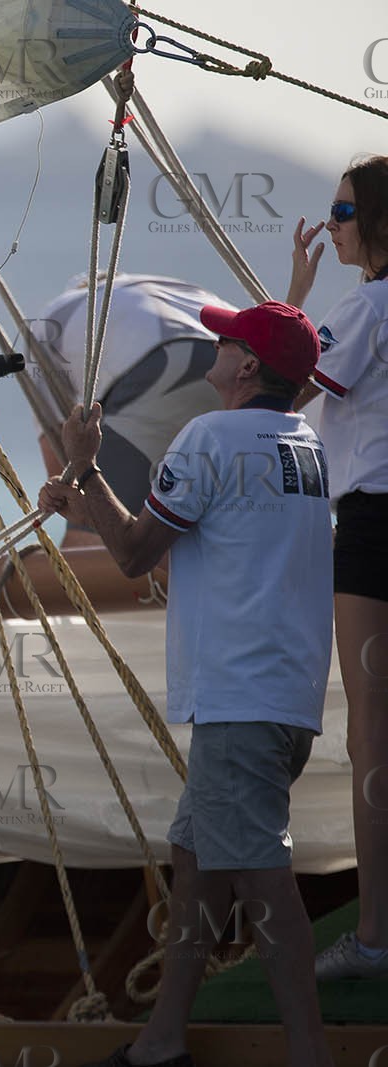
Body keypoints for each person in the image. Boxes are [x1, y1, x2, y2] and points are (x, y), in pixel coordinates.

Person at [38, 301, 334, 1067]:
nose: (215, 339)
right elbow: (215, 545)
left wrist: (87, 462)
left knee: (263, 876)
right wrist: (87, 500)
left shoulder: (209, 436)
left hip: (236, 699)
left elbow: (137, 552)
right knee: (196, 860)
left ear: (244, 367)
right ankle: (160, 1041)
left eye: (226, 336)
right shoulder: (304, 443)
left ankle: (310, 1054)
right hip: (285, 698)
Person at [288, 154, 388, 981]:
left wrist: (293, 289)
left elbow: (280, 387)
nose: (334, 222)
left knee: (371, 735)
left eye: (346, 211)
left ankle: (377, 937)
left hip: (372, 528)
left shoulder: (365, 310)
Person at [30, 274, 233, 544]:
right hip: (234, 367)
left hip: (159, 374)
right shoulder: (178, 288)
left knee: (94, 542)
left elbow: (62, 467)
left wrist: (75, 500)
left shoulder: (52, 317)